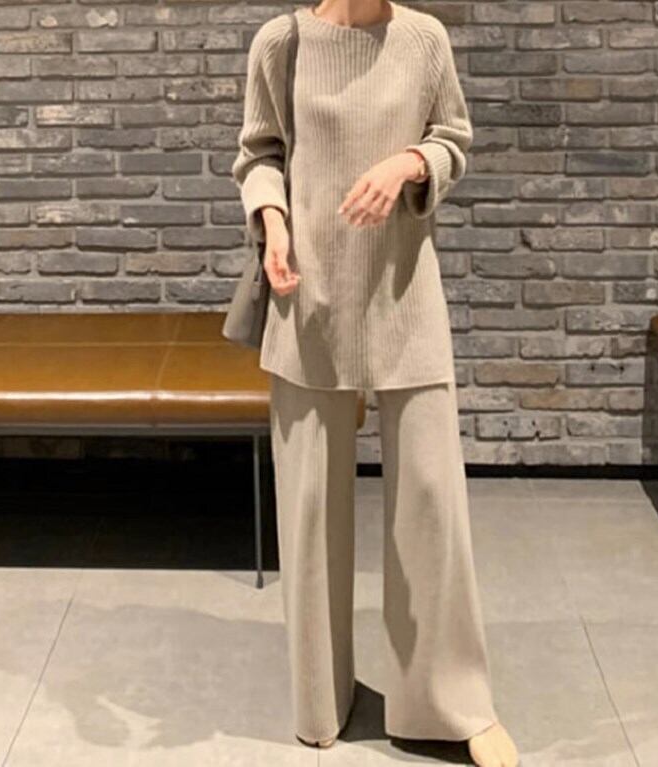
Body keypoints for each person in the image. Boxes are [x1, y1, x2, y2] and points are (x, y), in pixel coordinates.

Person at [231, 2, 519, 766]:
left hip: (403, 293)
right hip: (306, 296)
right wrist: (273, 222)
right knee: (309, 511)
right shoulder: (281, 42)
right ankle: (319, 697)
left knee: (431, 500)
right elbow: (258, 153)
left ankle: (450, 704)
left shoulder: (423, 40)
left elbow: (452, 138)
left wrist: (410, 163)